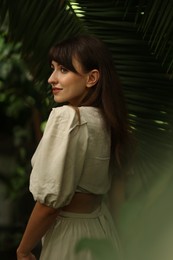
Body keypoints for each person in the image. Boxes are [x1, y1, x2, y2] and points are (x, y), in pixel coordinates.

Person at [16, 34, 133, 260]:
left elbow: (49, 205)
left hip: (72, 239)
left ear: (92, 78)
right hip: (103, 231)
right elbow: (118, 196)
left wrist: (23, 249)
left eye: (63, 70)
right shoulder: (109, 121)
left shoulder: (68, 118)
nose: (51, 78)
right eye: (53, 68)